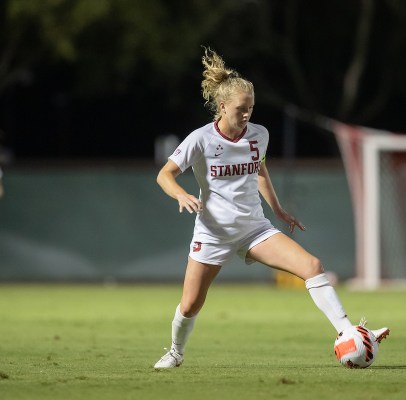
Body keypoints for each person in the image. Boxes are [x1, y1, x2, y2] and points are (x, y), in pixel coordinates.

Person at [153, 48, 389, 368]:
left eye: (251, 108)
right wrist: (180, 194)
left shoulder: (259, 135)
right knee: (191, 303)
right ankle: (175, 352)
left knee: (312, 266)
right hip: (213, 232)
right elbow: (164, 174)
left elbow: (259, 170)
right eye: (240, 109)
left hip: (254, 228)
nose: (247, 114)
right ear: (222, 107)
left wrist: (277, 209)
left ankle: (349, 333)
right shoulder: (201, 139)